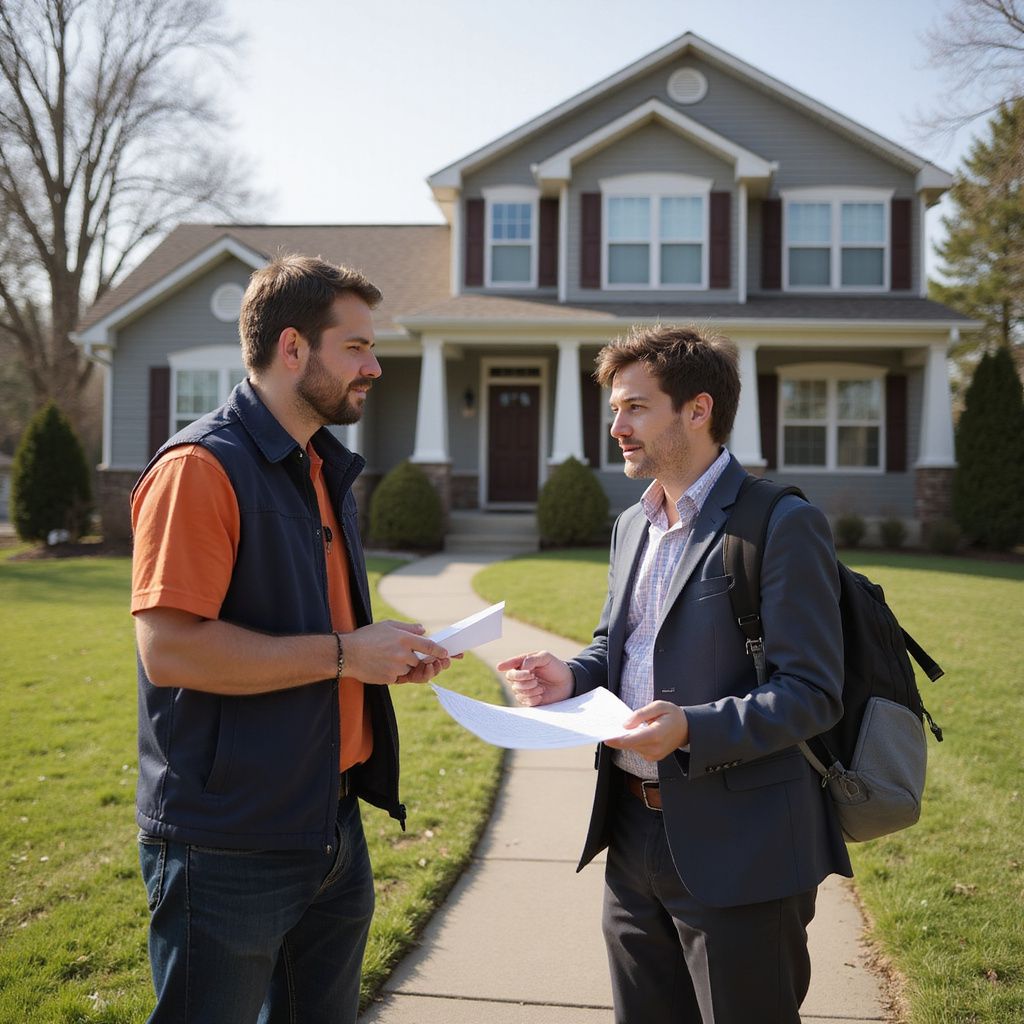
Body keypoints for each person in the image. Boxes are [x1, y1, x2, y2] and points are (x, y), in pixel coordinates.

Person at [130, 254, 455, 1024]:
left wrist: (379, 652)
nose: (374, 366)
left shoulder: (318, 466)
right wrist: (347, 654)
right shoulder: (203, 468)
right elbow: (170, 651)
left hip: (330, 827)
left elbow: (312, 630)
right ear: (291, 349)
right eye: (356, 347)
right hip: (228, 844)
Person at [498, 324, 852, 1024]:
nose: (616, 426)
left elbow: (812, 692)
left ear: (698, 411)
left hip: (742, 845)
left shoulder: (780, 521)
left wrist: (692, 728)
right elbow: (618, 648)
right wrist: (568, 676)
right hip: (631, 835)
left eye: (635, 407)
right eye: (615, 408)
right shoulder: (633, 523)